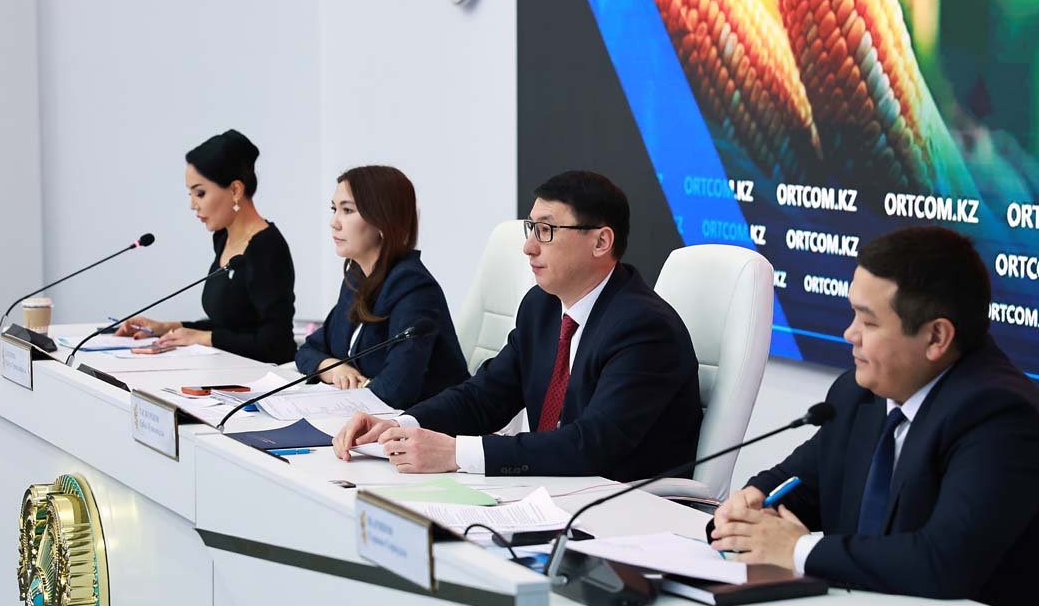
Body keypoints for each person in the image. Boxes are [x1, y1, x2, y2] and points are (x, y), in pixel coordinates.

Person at [710, 226, 1039, 606]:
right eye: (853, 315)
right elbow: (798, 485)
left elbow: (944, 562)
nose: (849, 333)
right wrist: (748, 507)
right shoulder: (858, 396)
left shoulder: (999, 415)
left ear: (936, 338)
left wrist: (796, 549)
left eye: (869, 322)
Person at [332, 170, 702, 481]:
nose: (529, 247)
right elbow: (484, 396)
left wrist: (456, 453)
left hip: (622, 506)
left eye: (546, 230)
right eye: (531, 229)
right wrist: (402, 425)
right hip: (550, 490)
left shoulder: (644, 328)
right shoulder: (541, 307)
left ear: (601, 241)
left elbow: (592, 445)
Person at [294, 165, 468, 408]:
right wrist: (333, 369)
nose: (334, 223)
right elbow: (308, 350)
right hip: (369, 415)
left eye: (347, 210)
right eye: (334, 209)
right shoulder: (356, 278)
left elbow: (396, 391)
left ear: (382, 220)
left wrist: (355, 387)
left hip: (426, 421)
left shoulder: (414, 289)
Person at [116, 129, 296, 364]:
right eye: (190, 194)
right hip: (227, 370)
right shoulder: (223, 237)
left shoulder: (267, 248)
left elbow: (276, 346)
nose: (193, 205)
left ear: (235, 190)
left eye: (200, 193)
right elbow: (231, 326)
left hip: (259, 379)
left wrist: (203, 338)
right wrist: (166, 328)